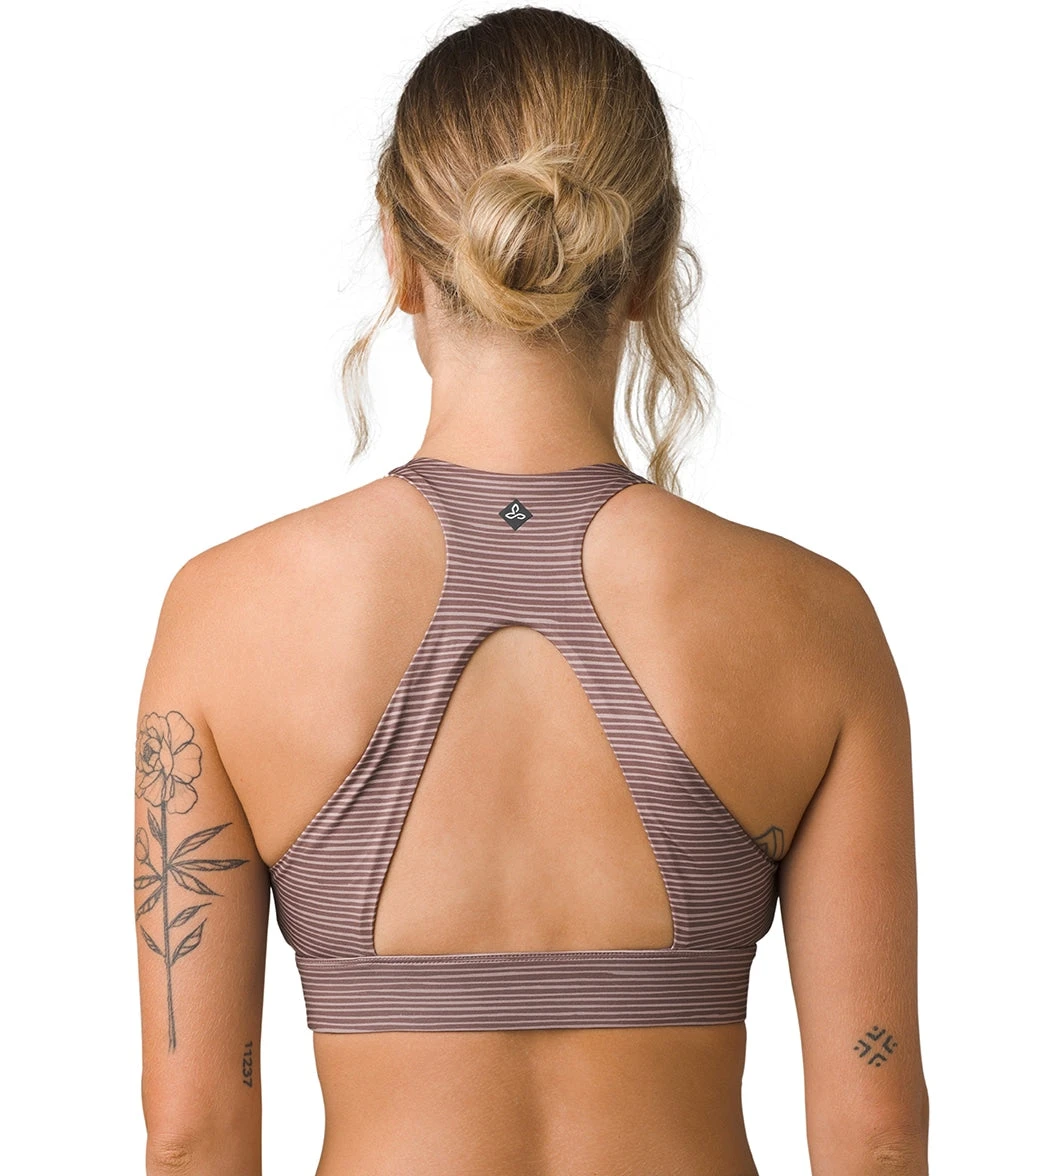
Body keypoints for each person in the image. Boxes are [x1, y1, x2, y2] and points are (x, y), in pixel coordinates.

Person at [134, 7, 929, 1174]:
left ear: (401, 256)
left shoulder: (229, 612)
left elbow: (193, 1133)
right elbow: (877, 1131)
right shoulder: (812, 619)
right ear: (652, 264)